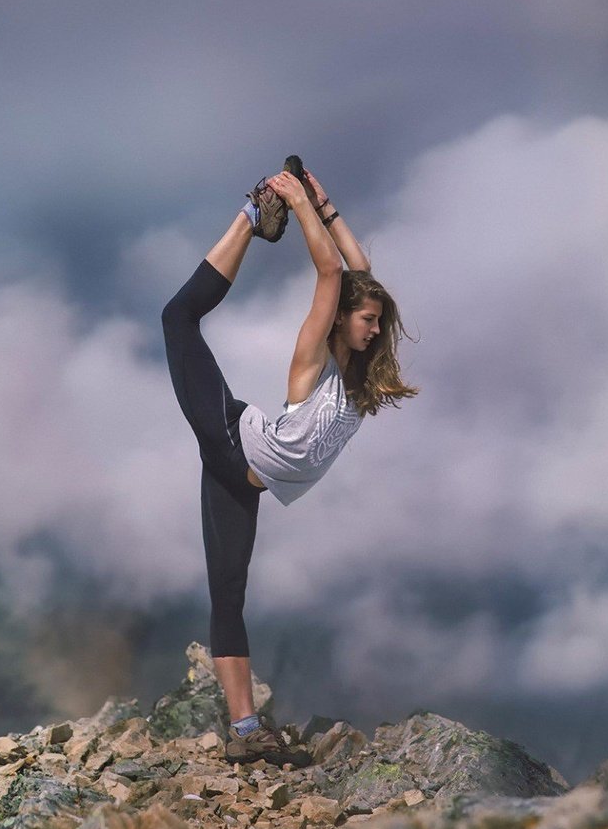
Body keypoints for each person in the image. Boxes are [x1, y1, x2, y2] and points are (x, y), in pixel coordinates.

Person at [161, 163, 417, 766]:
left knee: (229, 595)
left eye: (378, 321)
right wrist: (296, 202)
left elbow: (360, 274)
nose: (376, 328)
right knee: (178, 318)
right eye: (367, 319)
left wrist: (326, 208)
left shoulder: (359, 377)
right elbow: (335, 272)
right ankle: (250, 218)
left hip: (243, 479)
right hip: (230, 437)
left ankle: (245, 730)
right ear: (340, 322)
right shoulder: (316, 358)